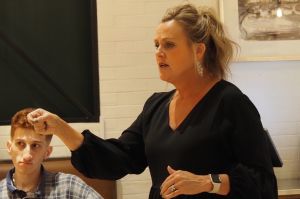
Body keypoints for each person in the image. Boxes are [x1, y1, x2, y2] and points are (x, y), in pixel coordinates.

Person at [27, 3, 278, 199]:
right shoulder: (156, 106)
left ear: (198, 50)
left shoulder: (231, 102)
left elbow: (263, 184)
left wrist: (207, 182)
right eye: (156, 45)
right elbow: (120, 158)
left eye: (169, 45)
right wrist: (61, 128)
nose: (158, 53)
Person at [0, 108, 103, 199]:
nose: (27, 156)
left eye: (35, 145)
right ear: (9, 147)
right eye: (20, 143)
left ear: (47, 152)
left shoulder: (70, 185)